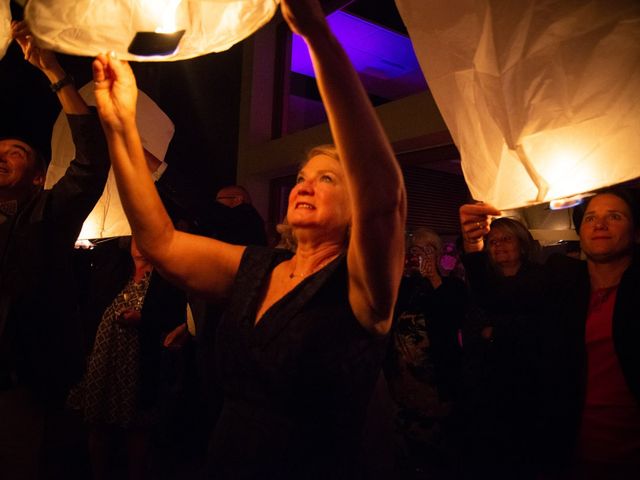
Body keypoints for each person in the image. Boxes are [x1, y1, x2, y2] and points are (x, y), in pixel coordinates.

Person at [91, 0, 406, 476]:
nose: (304, 183)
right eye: (302, 176)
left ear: (356, 205)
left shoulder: (362, 288)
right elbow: (161, 243)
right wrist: (120, 127)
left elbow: (384, 198)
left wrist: (318, 39)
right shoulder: (256, 268)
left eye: (327, 179)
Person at [459, 189, 640, 479]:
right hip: (566, 446)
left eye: (615, 216)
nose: (600, 224)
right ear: (580, 230)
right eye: (591, 217)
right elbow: (495, 296)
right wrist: (474, 243)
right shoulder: (563, 276)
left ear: (636, 232)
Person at [0, 21, 110, 479]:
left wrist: (52, 70)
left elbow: (90, 160)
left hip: (32, 380)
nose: (2, 155)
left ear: (39, 176)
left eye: (17, 152)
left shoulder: (48, 214)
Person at [68, 236, 186, 480]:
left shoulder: (166, 280)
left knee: (137, 426)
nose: (141, 244)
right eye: (136, 238)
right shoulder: (114, 269)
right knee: (97, 421)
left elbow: (172, 318)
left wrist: (142, 320)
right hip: (105, 357)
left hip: (139, 361)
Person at [456, 215, 545, 479]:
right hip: (489, 387)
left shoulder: (541, 279)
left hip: (530, 384)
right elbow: (472, 328)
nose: (499, 245)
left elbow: (542, 327)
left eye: (506, 239)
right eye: (492, 241)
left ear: (522, 243)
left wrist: (498, 331)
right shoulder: (483, 283)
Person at [385, 227, 466, 478]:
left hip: (435, 379)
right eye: (415, 249)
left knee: (437, 441)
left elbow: (450, 317)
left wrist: (434, 278)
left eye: (427, 249)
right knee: (405, 440)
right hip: (403, 378)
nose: (420, 255)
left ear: (439, 252)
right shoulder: (405, 284)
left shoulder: (452, 284)